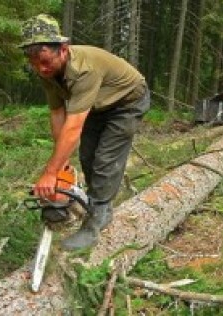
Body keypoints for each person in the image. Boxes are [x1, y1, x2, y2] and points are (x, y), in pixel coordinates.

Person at [18, 14, 150, 250]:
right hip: (97, 105)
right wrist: (62, 163)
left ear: (63, 50)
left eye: (45, 61)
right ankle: (99, 204)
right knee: (87, 157)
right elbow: (58, 113)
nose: (41, 68)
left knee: (105, 160)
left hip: (126, 102)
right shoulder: (48, 72)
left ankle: (96, 221)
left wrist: (51, 172)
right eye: (35, 63)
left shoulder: (83, 70)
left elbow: (74, 125)